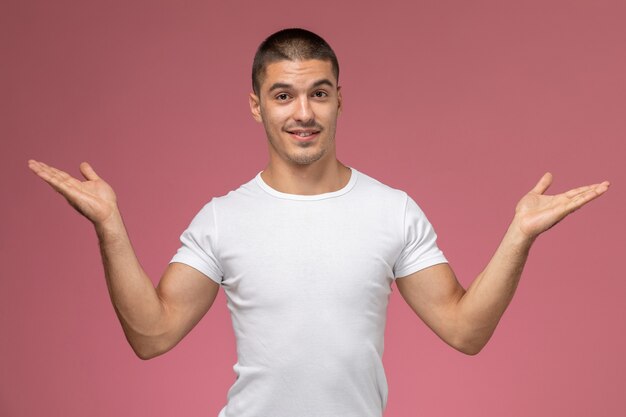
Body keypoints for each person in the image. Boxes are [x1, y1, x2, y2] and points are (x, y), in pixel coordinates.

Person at [28, 28, 609, 417]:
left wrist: (519, 236)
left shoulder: (392, 210)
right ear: (257, 104)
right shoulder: (221, 219)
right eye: (283, 95)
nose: (302, 112)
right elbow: (152, 335)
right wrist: (110, 226)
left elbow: (465, 331)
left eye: (318, 93)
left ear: (338, 100)